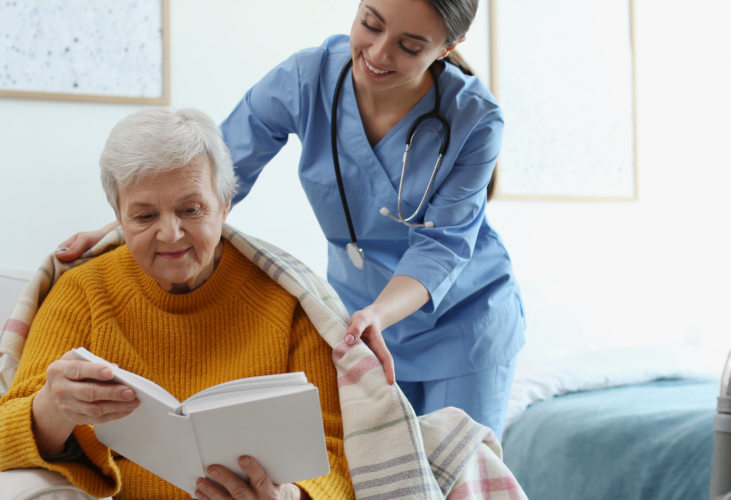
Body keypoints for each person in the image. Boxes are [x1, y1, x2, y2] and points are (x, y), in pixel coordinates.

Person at [57, 0, 524, 438]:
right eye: (371, 23)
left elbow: (442, 246)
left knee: (459, 476)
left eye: (409, 46)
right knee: (372, 472)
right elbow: (213, 178)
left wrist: (379, 314)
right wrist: (129, 229)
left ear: (448, 48)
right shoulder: (308, 77)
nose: (378, 53)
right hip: (357, 312)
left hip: (465, 322)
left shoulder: (475, 119)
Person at [0, 109, 353, 500]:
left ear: (226, 204)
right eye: (145, 215)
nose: (170, 233)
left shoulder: (289, 301)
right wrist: (52, 408)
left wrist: (289, 497)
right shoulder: (83, 290)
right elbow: (2, 434)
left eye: (191, 210)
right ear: (119, 218)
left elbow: (337, 452)